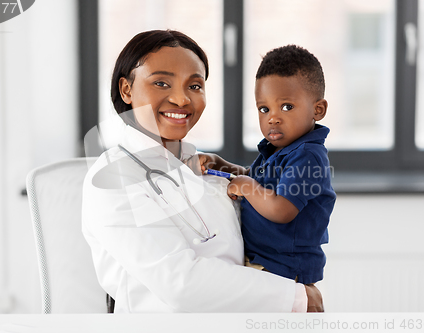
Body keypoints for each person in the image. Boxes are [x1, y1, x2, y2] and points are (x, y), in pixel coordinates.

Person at [82, 30, 321, 313]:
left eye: (194, 86)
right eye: (161, 83)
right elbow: (181, 283)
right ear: (127, 90)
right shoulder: (114, 179)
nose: (182, 100)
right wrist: (296, 298)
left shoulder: (202, 167)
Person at [198, 45, 335, 311]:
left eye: (286, 107)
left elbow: (281, 207)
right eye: (263, 109)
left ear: (317, 110)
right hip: (265, 264)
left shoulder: (308, 156)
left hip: (283, 270)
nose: (273, 118)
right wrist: (224, 166)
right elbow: (261, 182)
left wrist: (247, 187)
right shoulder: (278, 150)